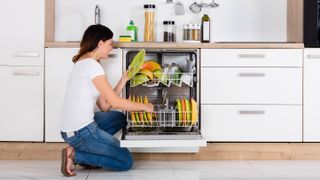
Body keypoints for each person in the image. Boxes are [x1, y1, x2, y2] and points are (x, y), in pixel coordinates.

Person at [60, 24, 153, 177]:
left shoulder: (84, 63)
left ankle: (86, 149)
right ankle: (76, 155)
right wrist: (145, 106)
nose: (112, 48)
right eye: (110, 44)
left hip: (70, 131)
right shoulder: (92, 67)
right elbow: (115, 102)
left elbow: (105, 106)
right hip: (82, 132)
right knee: (126, 162)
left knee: (118, 118)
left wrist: (124, 79)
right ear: (100, 43)